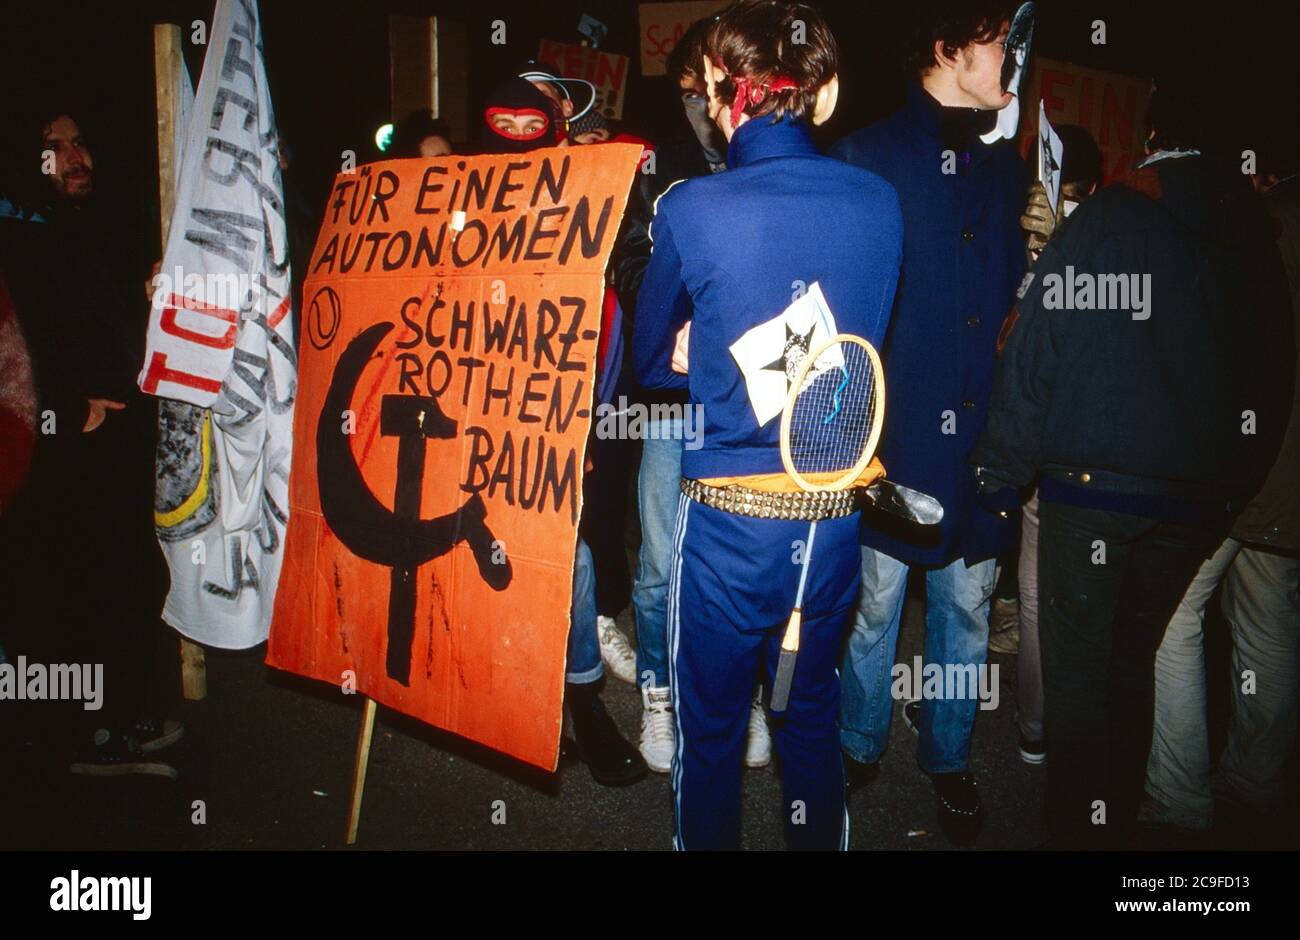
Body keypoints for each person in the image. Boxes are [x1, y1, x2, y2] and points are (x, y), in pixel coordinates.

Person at [970, 77, 1294, 847]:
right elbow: (1278, 373)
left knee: (1082, 686)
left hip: (1098, 487)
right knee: (1133, 662)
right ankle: (1118, 820)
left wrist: (1000, 467)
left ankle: (1083, 830)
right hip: (1204, 500)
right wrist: (1236, 486)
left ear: (1152, 138)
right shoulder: (1256, 237)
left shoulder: (1116, 214)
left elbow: (1037, 345)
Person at [635, 0, 902, 849]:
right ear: (819, 97)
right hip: (829, 526)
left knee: (709, 739)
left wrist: (694, 351)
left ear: (723, 89)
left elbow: (645, 366)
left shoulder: (692, 209)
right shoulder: (882, 203)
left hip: (724, 531)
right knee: (807, 721)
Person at [828, 1, 1030, 845]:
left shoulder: (1008, 170)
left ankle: (948, 757)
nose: (1012, 61)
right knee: (875, 607)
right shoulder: (866, 157)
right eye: (997, 45)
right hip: (896, 439)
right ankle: (858, 740)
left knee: (966, 612)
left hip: (986, 442)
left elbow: (1011, 312)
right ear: (949, 49)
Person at [0, 109, 181, 776]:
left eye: (80, 142)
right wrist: (68, 411)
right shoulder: (18, 234)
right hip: (58, 449)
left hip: (108, 439)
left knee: (121, 578)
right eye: (55, 148)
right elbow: (21, 345)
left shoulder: (79, 228)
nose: (75, 157)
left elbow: (92, 321)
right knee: (95, 584)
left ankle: (97, 726)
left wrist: (144, 295)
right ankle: (97, 735)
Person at [612, 14, 771, 775]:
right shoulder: (654, 158)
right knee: (658, 564)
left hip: (752, 395)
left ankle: (740, 699)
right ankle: (658, 693)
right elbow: (632, 259)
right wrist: (680, 326)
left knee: (741, 561)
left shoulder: (769, 145)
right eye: (702, 82)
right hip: (676, 400)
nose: (715, 97)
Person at [479, 78, 647, 786]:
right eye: (503, 121)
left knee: (568, 566)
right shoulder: (464, 211)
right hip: (469, 429)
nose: (518, 133)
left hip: (559, 429)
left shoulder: (588, 212)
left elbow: (609, 320)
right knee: (482, 568)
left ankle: (582, 702)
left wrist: (583, 429)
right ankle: (507, 705)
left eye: (533, 122)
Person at [1141, 145, 1300, 839]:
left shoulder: (1263, 223)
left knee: (1171, 619)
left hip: (1242, 463)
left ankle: (1178, 798)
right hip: (1291, 482)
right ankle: (1256, 782)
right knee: (1270, 631)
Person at [993, 124, 1104, 772]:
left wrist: (1057, 245)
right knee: (1041, 595)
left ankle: (1059, 734)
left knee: (1063, 596)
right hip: (1038, 441)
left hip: (1076, 444)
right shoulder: (1026, 236)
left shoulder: (1103, 244)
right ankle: (1038, 730)